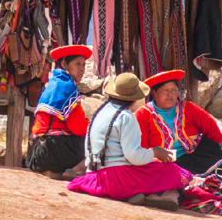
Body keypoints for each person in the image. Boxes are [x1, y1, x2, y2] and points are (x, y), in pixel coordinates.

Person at [67, 73, 193, 210]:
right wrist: (156, 153)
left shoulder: (100, 111)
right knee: (172, 171)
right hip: (118, 179)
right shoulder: (126, 117)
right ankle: (153, 195)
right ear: (134, 99)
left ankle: (136, 195)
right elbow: (134, 156)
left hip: (95, 174)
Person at [135, 70, 222, 175]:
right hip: (162, 162)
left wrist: (216, 149)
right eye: (165, 90)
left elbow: (211, 129)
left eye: (174, 90)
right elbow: (141, 147)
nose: (170, 94)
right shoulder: (143, 114)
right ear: (154, 93)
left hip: (192, 156)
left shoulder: (188, 108)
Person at [26, 45, 91, 179]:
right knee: (96, 145)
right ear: (64, 64)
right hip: (56, 151)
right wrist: (90, 127)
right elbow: (78, 128)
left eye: (83, 65)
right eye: (77, 64)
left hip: (37, 154)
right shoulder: (68, 87)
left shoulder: (52, 85)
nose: (82, 69)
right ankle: (76, 170)